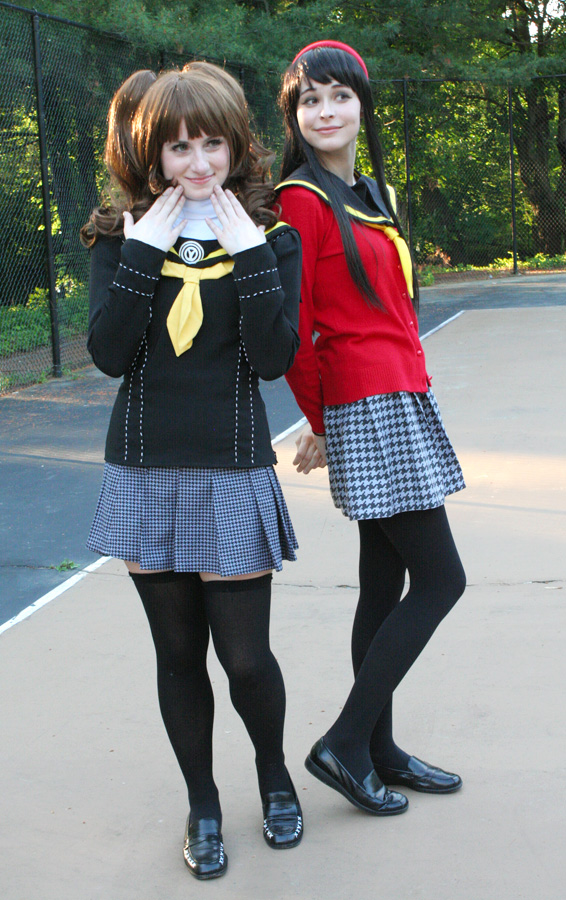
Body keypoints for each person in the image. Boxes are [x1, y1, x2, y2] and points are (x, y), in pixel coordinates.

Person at [81, 63, 304, 880]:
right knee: (178, 657)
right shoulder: (119, 236)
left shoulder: (273, 238)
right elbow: (109, 353)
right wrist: (144, 251)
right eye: (179, 148)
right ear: (153, 155)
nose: (198, 163)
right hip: (145, 467)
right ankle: (202, 804)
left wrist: (247, 254)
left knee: (245, 659)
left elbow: (274, 358)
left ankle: (274, 777)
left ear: (236, 144)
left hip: (231, 466)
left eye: (211, 143)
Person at [275, 41, 466, 816]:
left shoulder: (367, 192)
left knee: (384, 585)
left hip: (399, 393)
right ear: (294, 115)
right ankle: (345, 742)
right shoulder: (301, 199)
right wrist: (321, 420)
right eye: (310, 100)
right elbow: (296, 331)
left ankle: (378, 752)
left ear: (362, 104)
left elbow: (391, 308)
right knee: (443, 579)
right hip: (366, 402)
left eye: (339, 96)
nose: (326, 111)